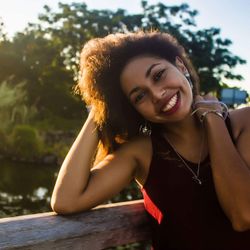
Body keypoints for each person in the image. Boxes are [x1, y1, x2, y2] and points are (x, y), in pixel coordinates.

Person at [51, 31, 250, 250]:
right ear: (134, 109)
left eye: (158, 75)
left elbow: (243, 214)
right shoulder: (141, 153)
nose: (156, 94)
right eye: (139, 96)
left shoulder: (244, 122)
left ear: (181, 66)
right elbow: (66, 201)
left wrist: (214, 121)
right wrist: (99, 110)